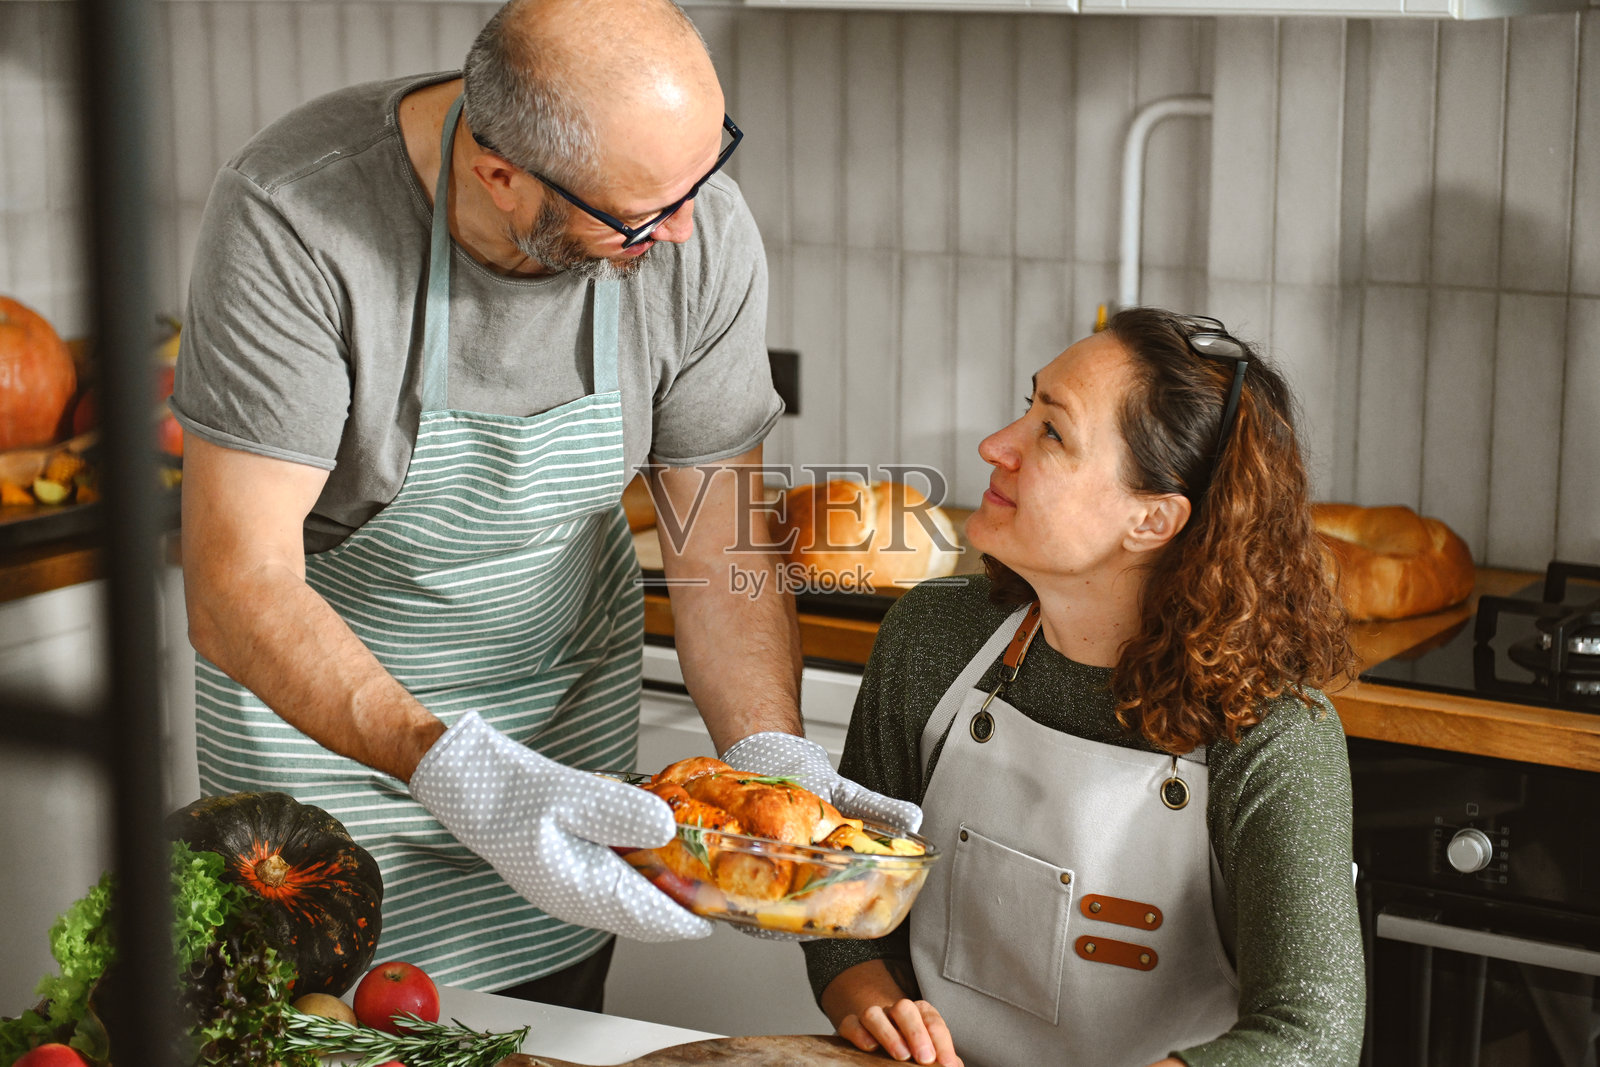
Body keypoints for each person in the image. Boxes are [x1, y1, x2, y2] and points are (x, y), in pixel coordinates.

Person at [173, 0, 918, 1006]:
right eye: (643, 214)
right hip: (324, 778)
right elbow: (236, 587)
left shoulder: (692, 227)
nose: (690, 227)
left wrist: (765, 756)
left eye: (707, 174)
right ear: (499, 175)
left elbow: (718, 541)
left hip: (561, 762)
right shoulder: (297, 217)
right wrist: (456, 771)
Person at [802, 308, 1365, 1067]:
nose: (995, 445)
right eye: (1027, 406)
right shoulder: (931, 640)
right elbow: (841, 901)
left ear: (1152, 518)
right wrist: (876, 1007)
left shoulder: (1272, 732)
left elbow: (1312, 1030)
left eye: (1052, 433)